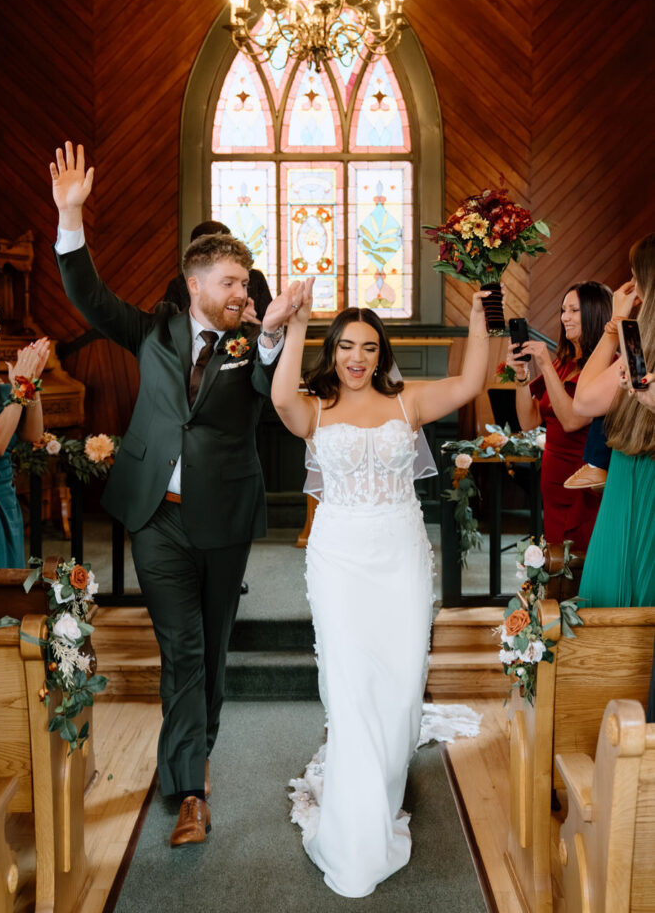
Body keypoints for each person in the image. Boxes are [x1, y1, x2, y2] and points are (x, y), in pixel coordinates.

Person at [49, 142, 294, 847]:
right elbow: (89, 298)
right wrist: (72, 217)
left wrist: (272, 337)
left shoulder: (252, 350)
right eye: (229, 282)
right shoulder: (153, 333)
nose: (241, 293)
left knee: (211, 650)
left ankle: (195, 750)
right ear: (195, 285)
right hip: (156, 518)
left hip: (223, 521)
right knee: (182, 649)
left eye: (246, 283)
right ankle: (190, 790)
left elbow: (268, 394)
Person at [271, 279, 491, 897]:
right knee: (350, 685)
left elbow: (471, 384)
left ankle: (384, 784)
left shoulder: (407, 404)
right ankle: (355, 829)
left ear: (382, 352)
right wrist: (295, 325)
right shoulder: (313, 408)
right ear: (332, 351)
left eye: (368, 346)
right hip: (339, 558)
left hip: (400, 555)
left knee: (397, 685)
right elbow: (280, 396)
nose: (357, 357)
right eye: (345, 346)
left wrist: (479, 319)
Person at [572, 234, 655, 607]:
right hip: (631, 473)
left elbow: (584, 400)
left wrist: (616, 321)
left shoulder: (642, 344)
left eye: (634, 276)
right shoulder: (642, 344)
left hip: (636, 475)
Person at [506, 281, 612, 551]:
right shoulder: (563, 364)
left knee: (580, 558)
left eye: (574, 310)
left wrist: (543, 363)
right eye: (563, 310)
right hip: (553, 485)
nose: (565, 317)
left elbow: (572, 420)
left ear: (595, 312)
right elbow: (528, 421)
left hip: (582, 486)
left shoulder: (606, 367)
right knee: (557, 562)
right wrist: (521, 375)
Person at [0, 294, 49, 566]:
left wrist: (33, 383)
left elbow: (32, 434)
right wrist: (19, 386)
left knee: (8, 572)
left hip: (4, 494)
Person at [164, 220, 272, 322]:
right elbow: (169, 332)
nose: (240, 294)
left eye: (244, 285)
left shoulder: (255, 278)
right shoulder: (178, 285)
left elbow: (273, 329)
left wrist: (253, 325)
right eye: (227, 284)